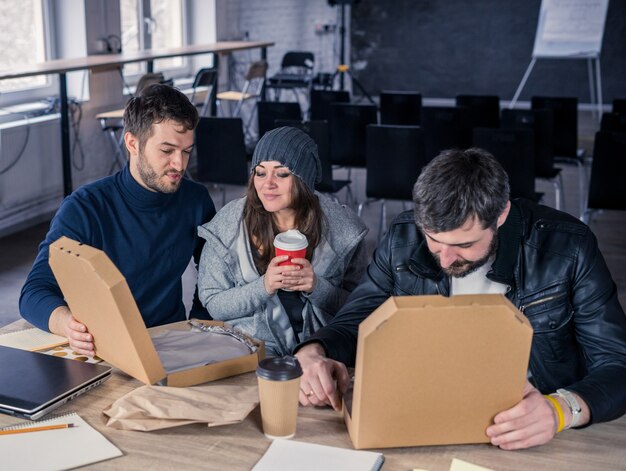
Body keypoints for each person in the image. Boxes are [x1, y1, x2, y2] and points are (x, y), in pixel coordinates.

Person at [295, 147, 626, 450]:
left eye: (464, 245)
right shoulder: (403, 236)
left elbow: (617, 363)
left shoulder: (569, 247)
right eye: (434, 240)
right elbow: (357, 320)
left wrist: (559, 410)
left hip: (530, 427)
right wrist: (313, 353)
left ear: (501, 215)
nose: (445, 260)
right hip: (424, 412)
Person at [20, 84, 215, 356]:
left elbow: (215, 276)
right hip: (102, 347)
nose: (180, 165)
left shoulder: (196, 200)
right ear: (133, 143)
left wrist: (199, 326)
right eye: (167, 150)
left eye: (186, 151)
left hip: (169, 341)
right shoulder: (85, 208)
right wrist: (67, 324)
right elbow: (34, 293)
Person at [197, 126, 368, 356]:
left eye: (282, 173)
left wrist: (317, 287)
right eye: (260, 172)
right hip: (250, 348)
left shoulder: (344, 229)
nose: (268, 184)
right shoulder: (227, 226)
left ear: (303, 179)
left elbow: (361, 307)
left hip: (320, 349)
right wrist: (263, 286)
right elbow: (214, 304)